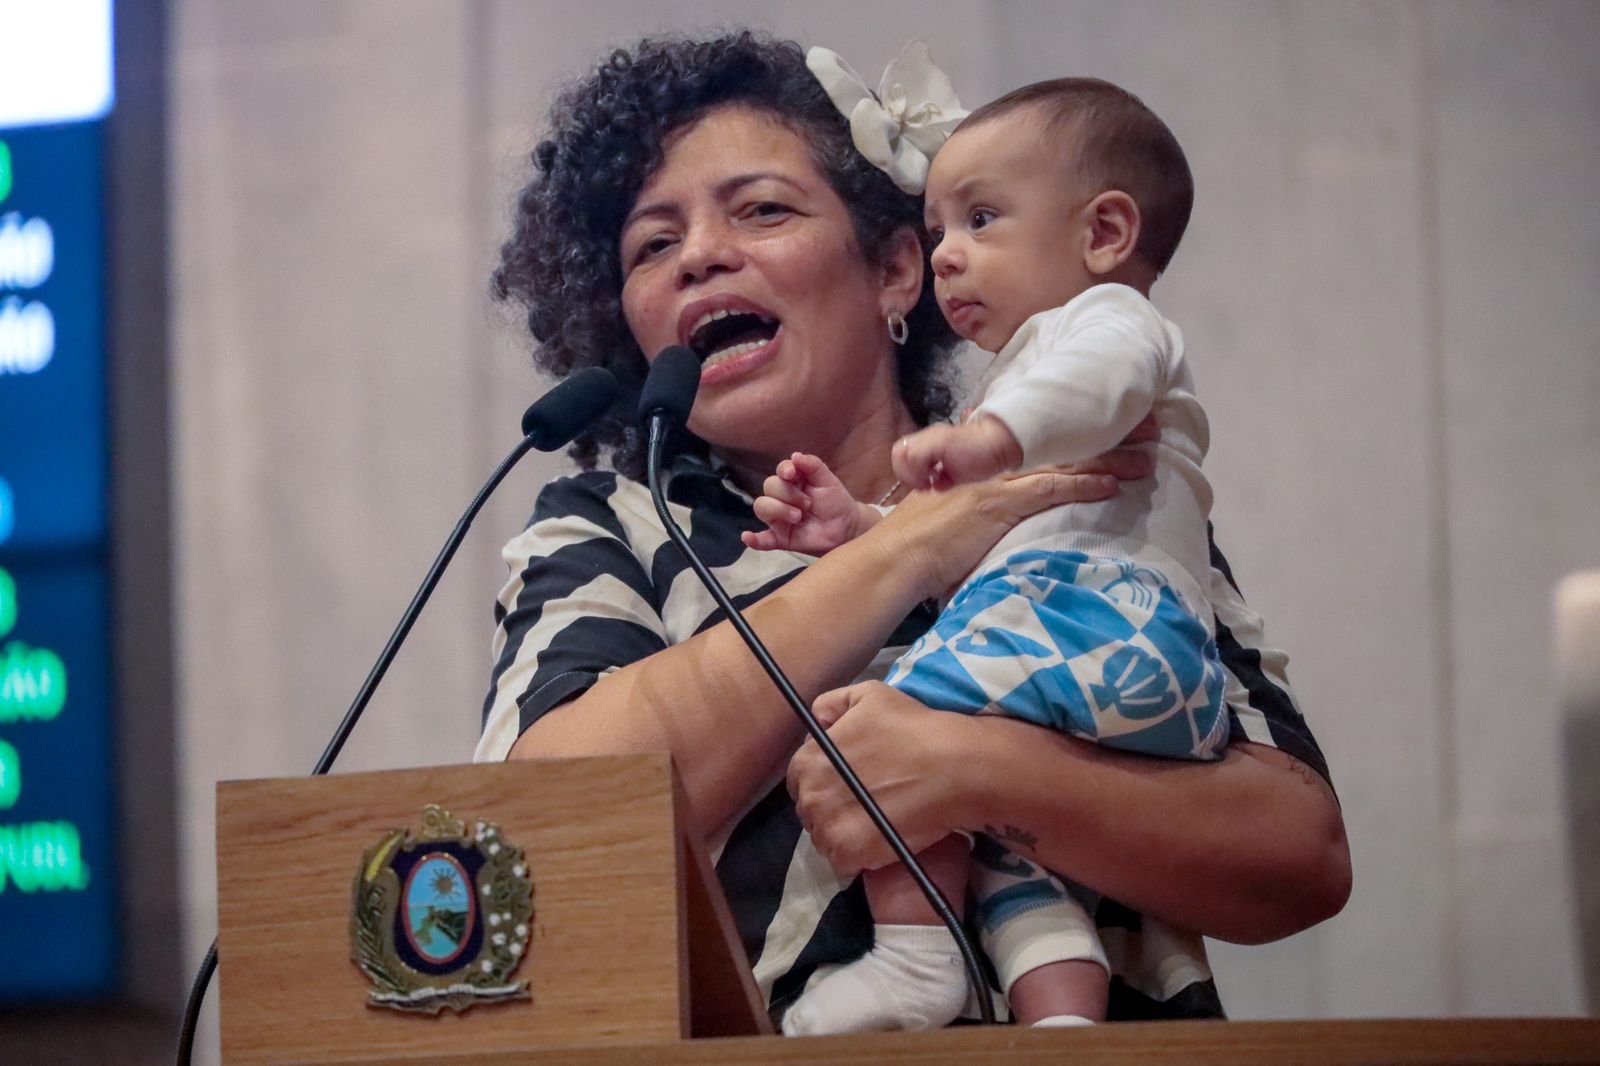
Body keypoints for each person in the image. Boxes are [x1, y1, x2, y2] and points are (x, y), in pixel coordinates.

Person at [474, 30, 1350, 1032]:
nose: (702, 255)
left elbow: (1300, 856)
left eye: (761, 209)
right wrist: (907, 545)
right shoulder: (607, 529)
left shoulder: (1071, 490)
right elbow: (552, 830)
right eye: (652, 245)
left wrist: (976, 774)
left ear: (898, 269)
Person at [747, 72, 1236, 1034]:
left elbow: (1097, 383)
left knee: (878, 728)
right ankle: (1060, 1022)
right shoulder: (1031, 385)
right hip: (1118, 659)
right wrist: (861, 532)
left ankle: (918, 956)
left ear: (1104, 235)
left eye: (980, 219)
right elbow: (986, 550)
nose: (949, 258)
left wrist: (992, 440)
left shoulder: (1102, 326)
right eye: (938, 233)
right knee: (1020, 860)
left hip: (1103, 622)